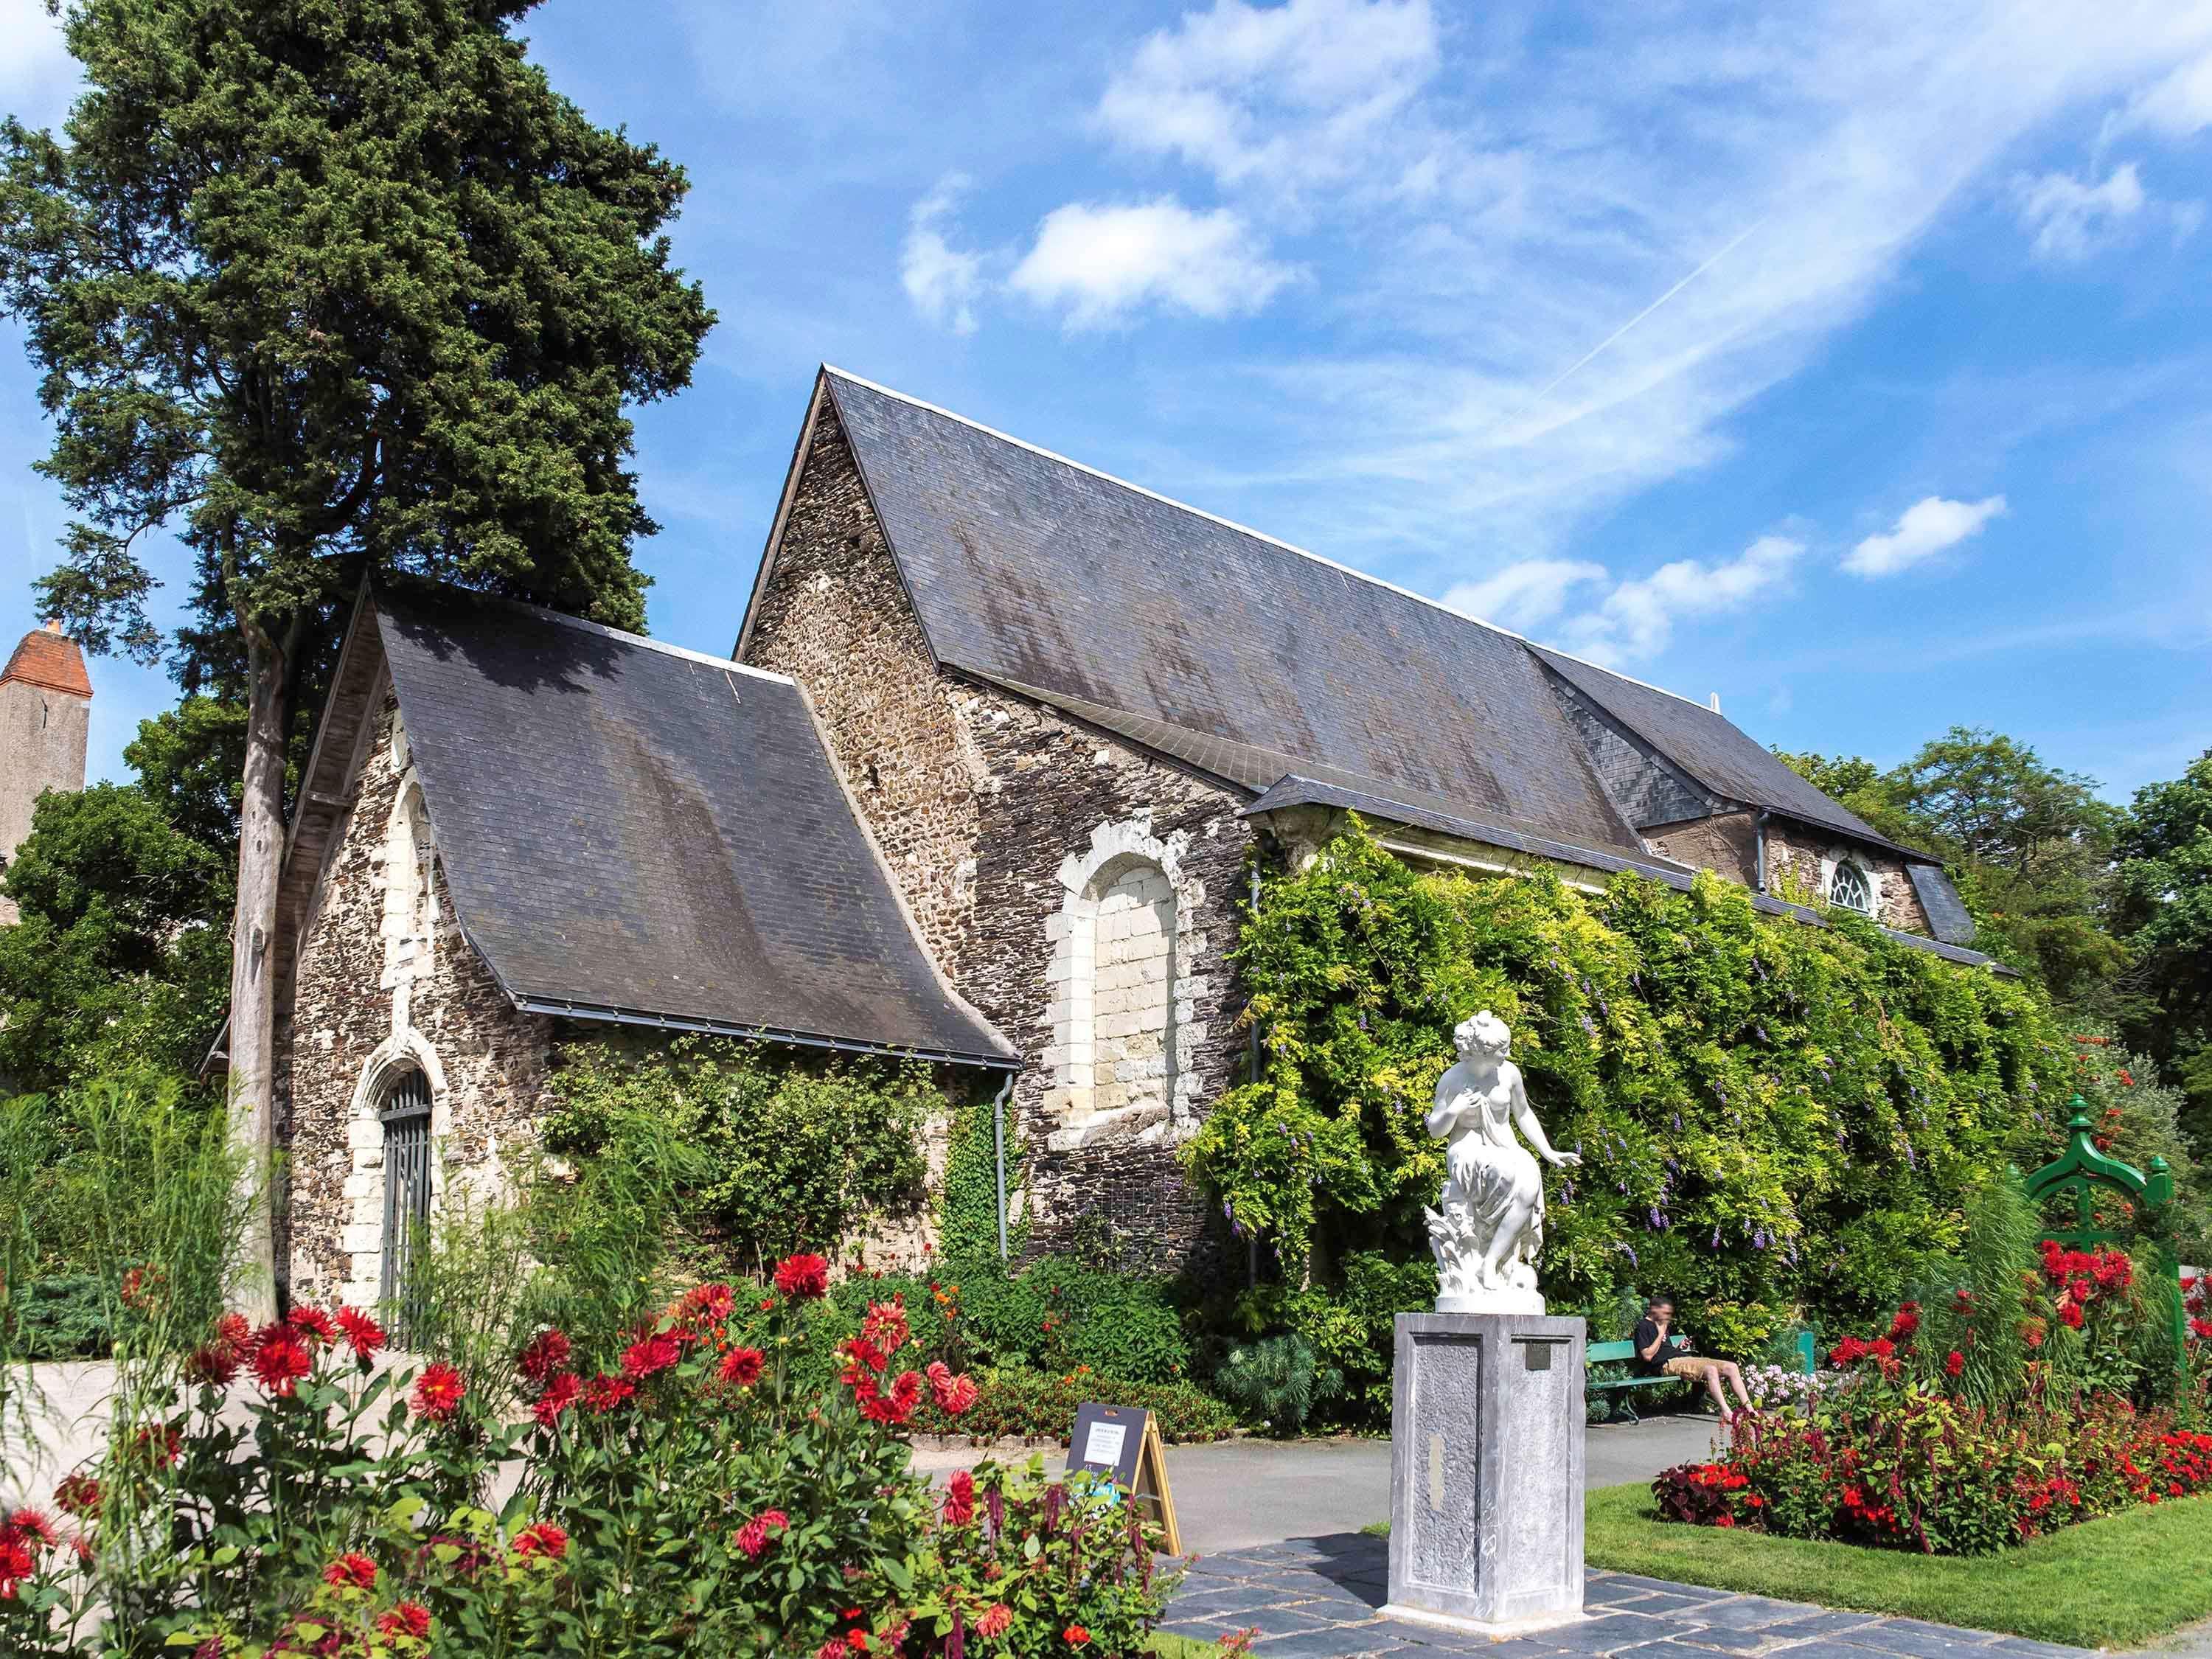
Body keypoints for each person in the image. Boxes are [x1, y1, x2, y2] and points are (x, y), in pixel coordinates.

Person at [1632, 1296, 1755, 1425]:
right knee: (1710, 1370)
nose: (1668, 1316)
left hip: (1681, 1359)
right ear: (1654, 1309)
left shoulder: (1661, 1325)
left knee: (1732, 1367)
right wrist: (1661, 1334)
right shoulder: (1643, 1326)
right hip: (1665, 1365)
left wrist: (1679, 1347)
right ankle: (1726, 1412)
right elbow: (1647, 1356)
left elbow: (1664, 1348)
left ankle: (1751, 1411)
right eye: (1665, 1312)